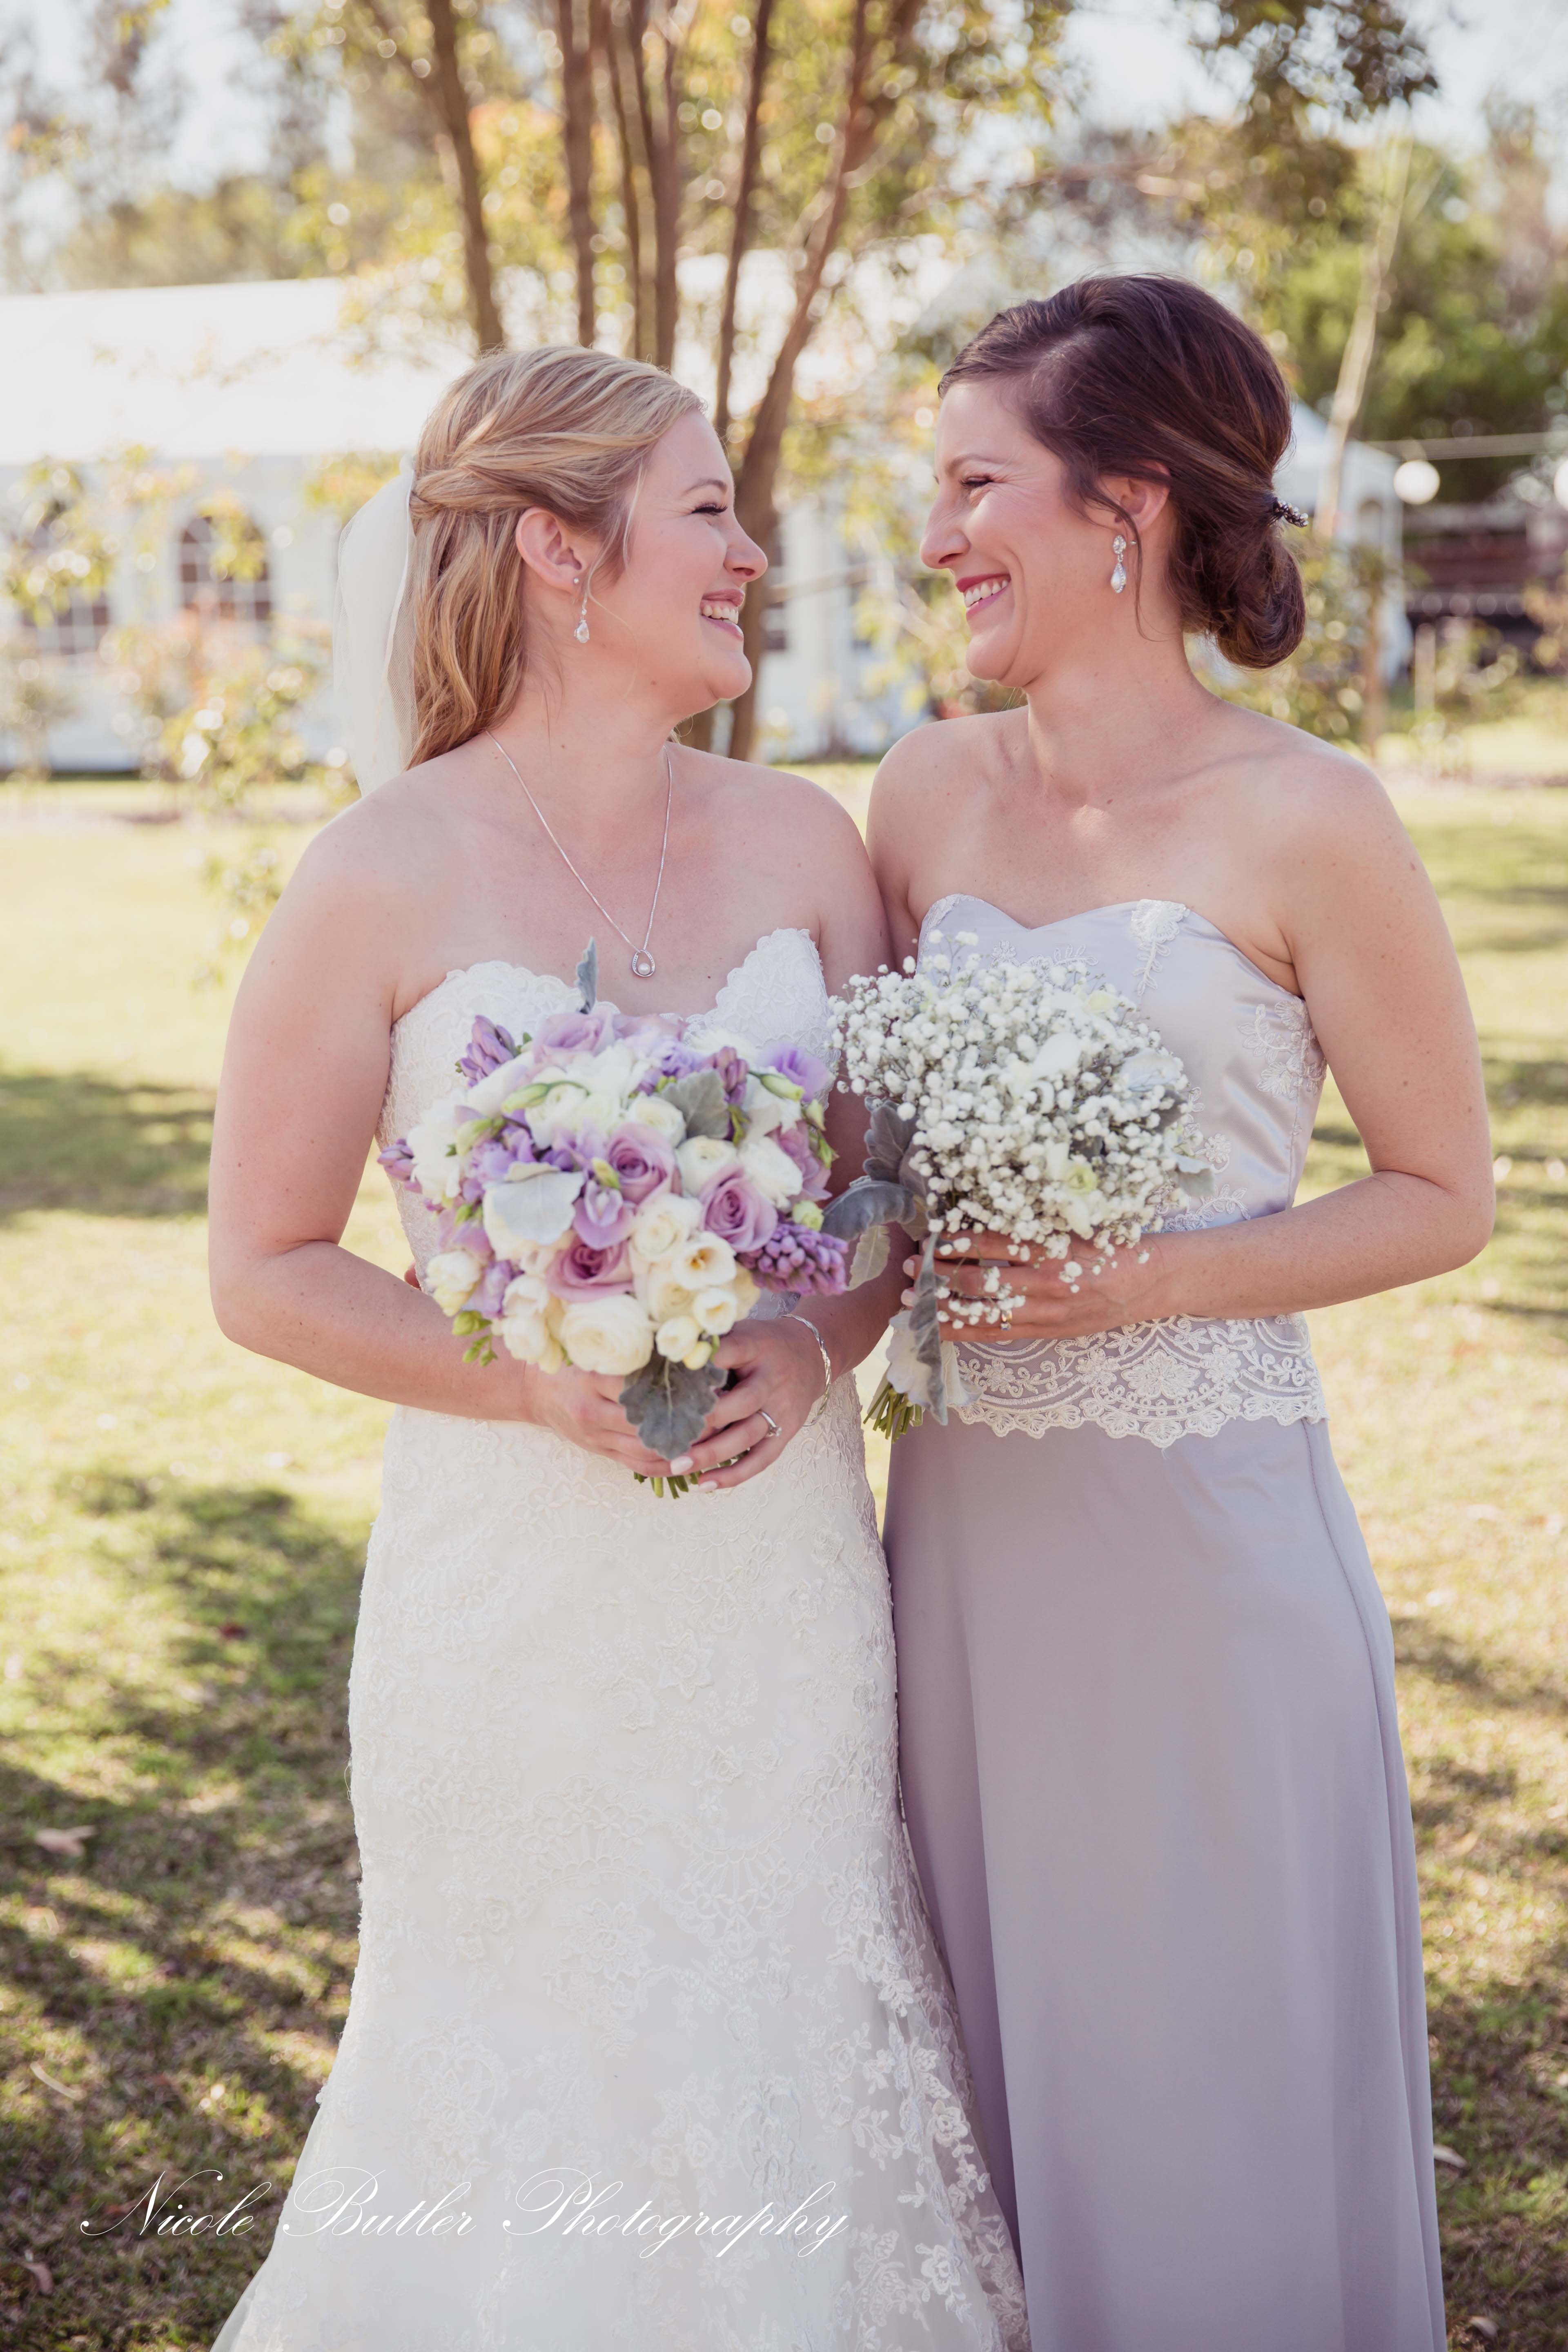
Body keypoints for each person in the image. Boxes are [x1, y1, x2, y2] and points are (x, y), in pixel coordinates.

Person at [205, 345, 1027, 2351]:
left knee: (789, 2024)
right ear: (560, 552)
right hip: (513, 1607)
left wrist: (819, 1346)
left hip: (777, 1592)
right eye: (710, 512)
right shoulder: (376, 872)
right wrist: (517, 1377)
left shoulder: (806, 845)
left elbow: (876, 1203)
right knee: (526, 2063)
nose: (752, 555)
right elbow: (265, 1266)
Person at [868, 274, 1494, 2352]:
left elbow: (1443, 1196)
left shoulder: (1311, 816)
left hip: (1206, 1546)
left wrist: (1145, 1278)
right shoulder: (922, 797)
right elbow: (872, 1152)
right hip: (962, 1545)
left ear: (1125, 502)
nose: (939, 534)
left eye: (977, 486)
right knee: (998, 2060)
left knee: (1204, 2075)